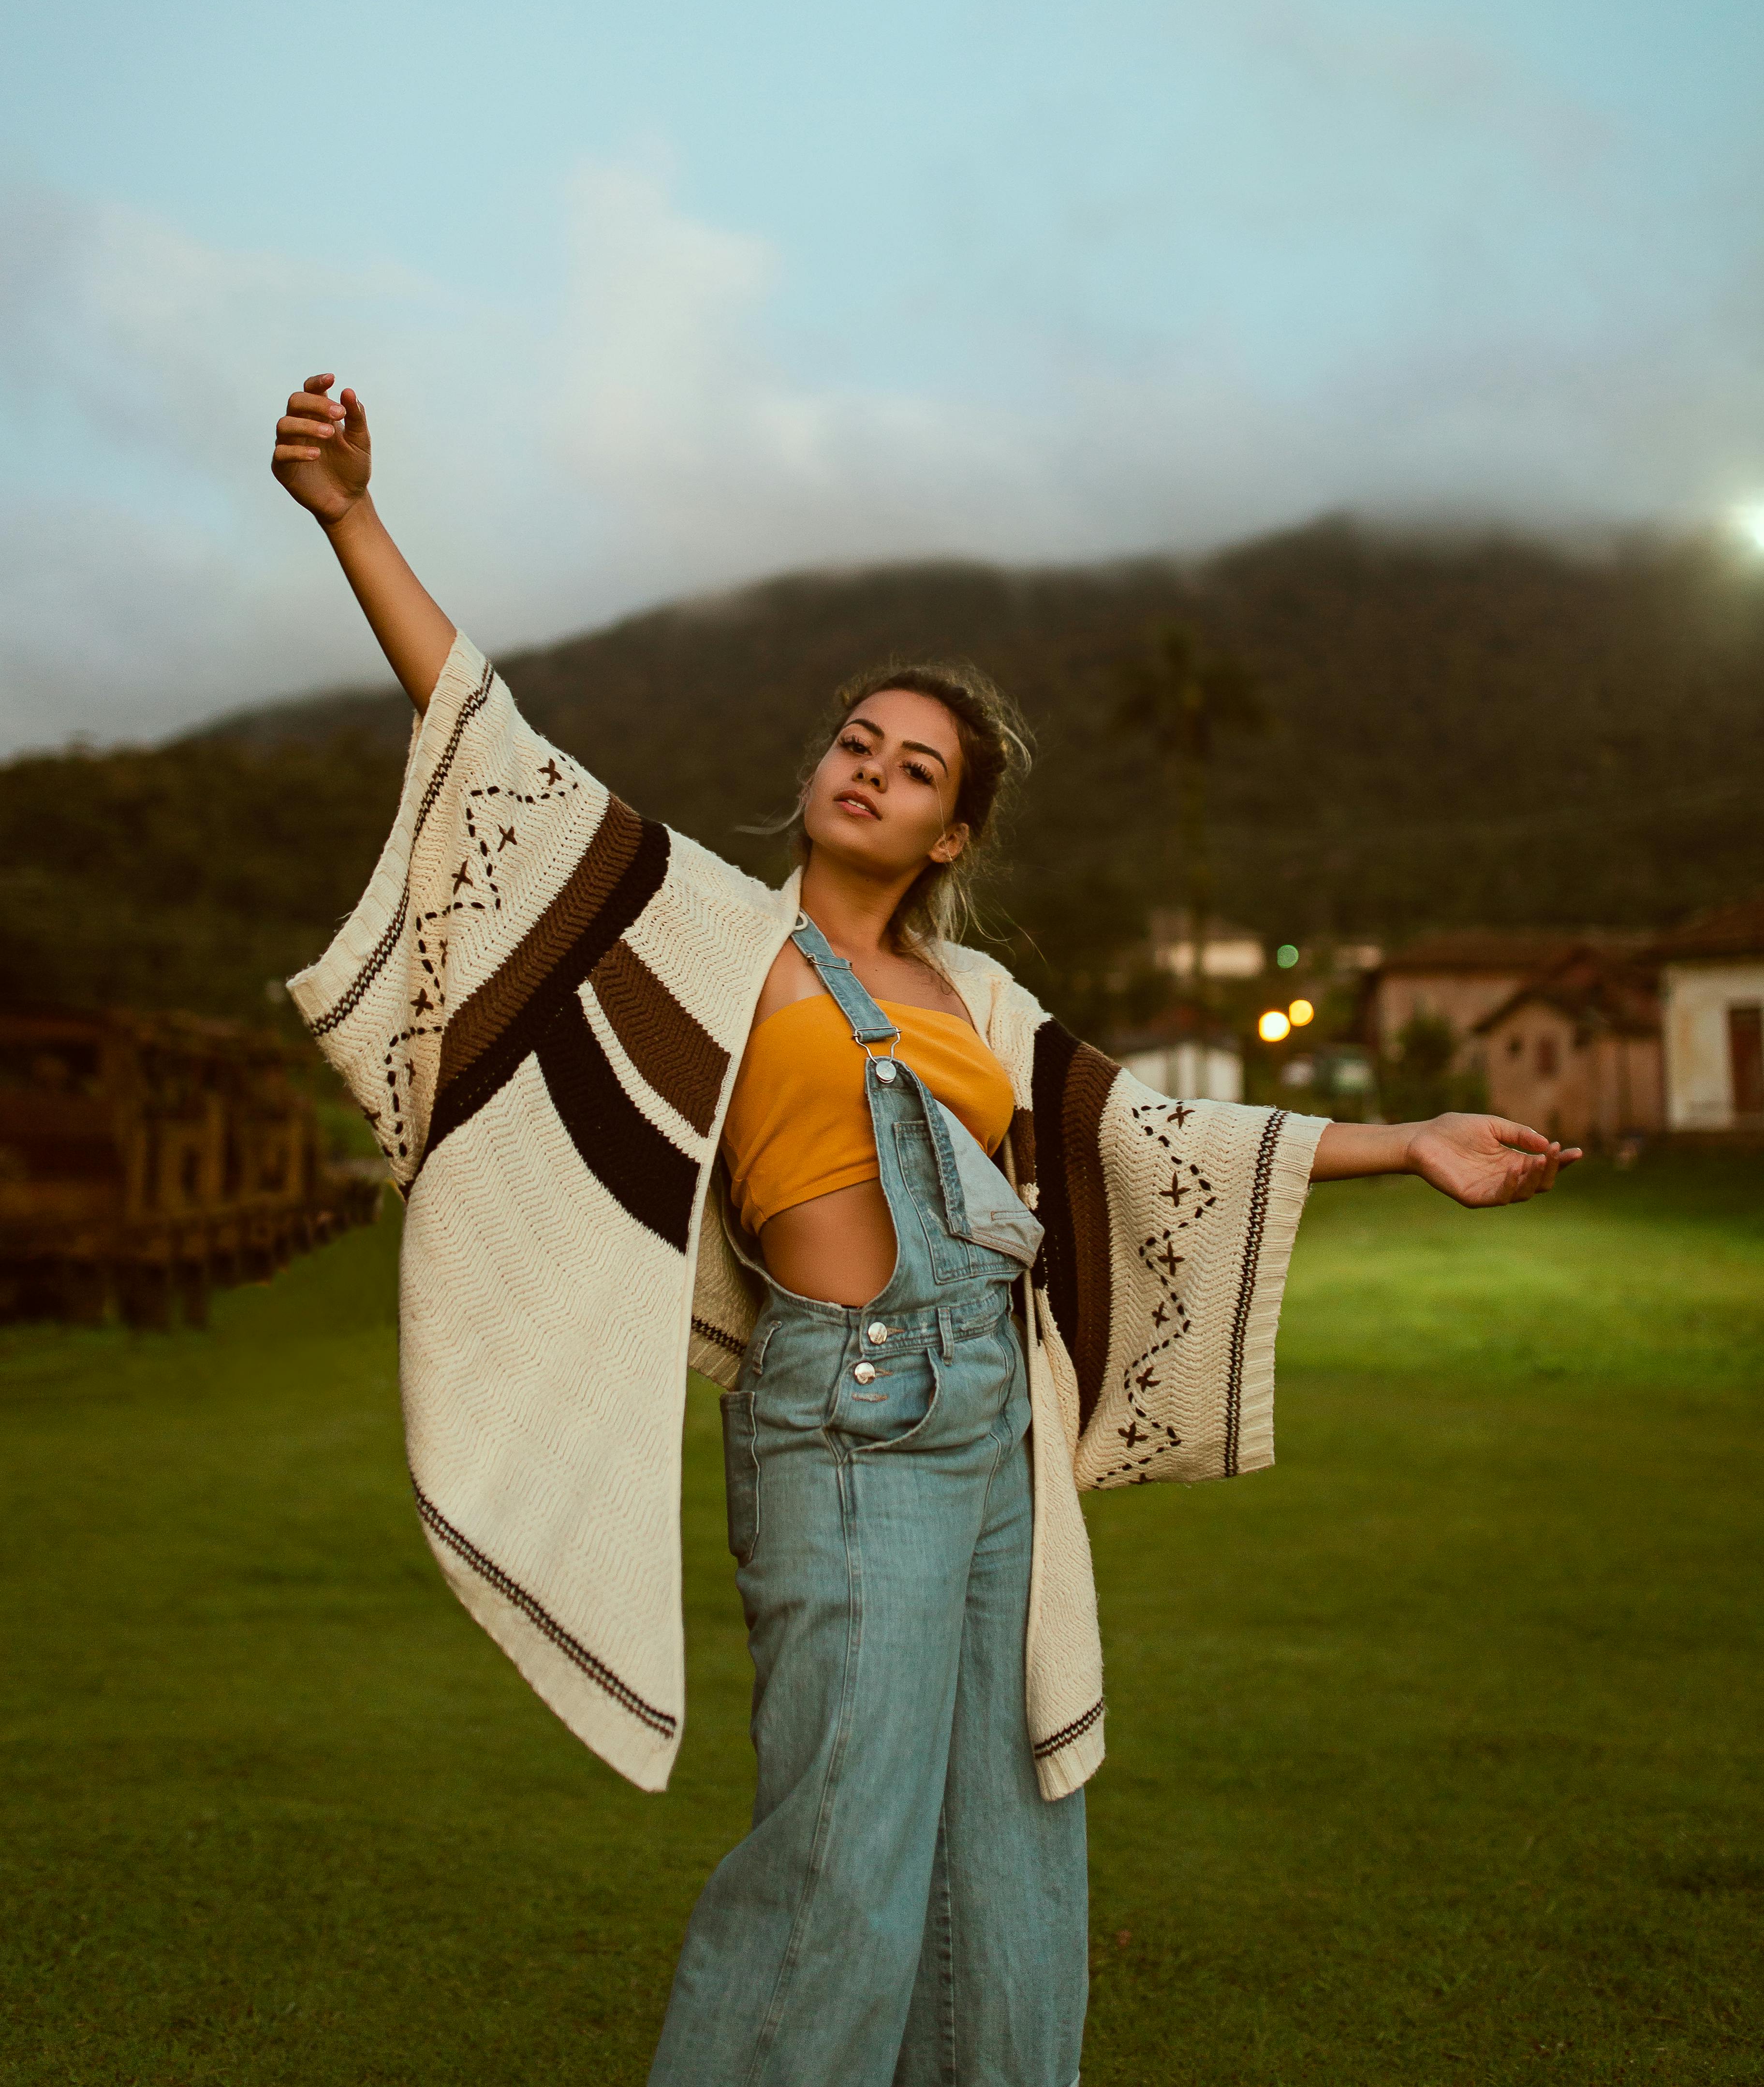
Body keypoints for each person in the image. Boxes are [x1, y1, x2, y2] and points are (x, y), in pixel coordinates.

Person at [270, 370, 1578, 2087]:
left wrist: (1409, 1142)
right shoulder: (700, 929)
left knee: (1008, 1861)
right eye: (853, 744)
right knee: (839, 1867)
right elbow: (486, 736)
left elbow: (1148, 1135)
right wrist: (355, 519)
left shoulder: (973, 993)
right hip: (846, 1418)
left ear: (953, 828)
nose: (869, 774)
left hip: (990, 1428)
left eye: (913, 768)